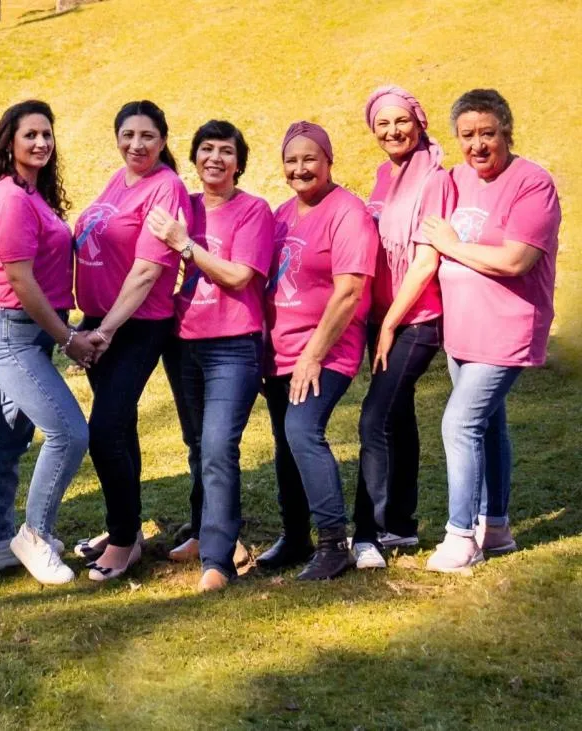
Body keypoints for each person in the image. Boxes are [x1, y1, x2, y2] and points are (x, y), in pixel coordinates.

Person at [422, 89, 560, 572]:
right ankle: (496, 527)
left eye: (488, 133)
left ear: (507, 131)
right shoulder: (456, 179)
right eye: (467, 135)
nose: (478, 145)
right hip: (463, 331)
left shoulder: (532, 183)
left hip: (508, 328)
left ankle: (460, 537)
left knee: (460, 423)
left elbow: (516, 260)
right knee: (489, 424)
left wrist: (453, 246)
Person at [146, 120, 275, 591]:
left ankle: (218, 560)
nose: (214, 158)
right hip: (182, 344)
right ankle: (204, 533)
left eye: (225, 150)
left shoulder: (253, 211)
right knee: (198, 445)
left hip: (232, 345)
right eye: (205, 149)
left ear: (239, 162)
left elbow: (240, 276)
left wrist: (185, 244)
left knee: (220, 447)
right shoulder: (184, 206)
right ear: (194, 157)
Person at [0, 100, 92, 585]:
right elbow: (20, 281)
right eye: (30, 135)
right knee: (69, 432)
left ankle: (1, 543)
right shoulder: (11, 199)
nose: (41, 142)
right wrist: (69, 340)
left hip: (31, 332)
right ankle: (34, 535)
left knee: (9, 439)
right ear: (9, 142)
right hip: (11, 333)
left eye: (47, 134)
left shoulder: (31, 193)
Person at [71, 100, 192, 581]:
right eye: (128, 135)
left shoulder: (167, 187)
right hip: (101, 320)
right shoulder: (119, 181)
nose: (136, 145)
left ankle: (123, 542)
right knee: (119, 429)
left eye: (147, 136)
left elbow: (146, 272)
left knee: (104, 431)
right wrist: (90, 322)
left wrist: (105, 330)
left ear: (163, 139)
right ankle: (128, 528)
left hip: (137, 323)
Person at [259, 121, 378, 581]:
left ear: (329, 161)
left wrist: (312, 355)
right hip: (279, 351)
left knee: (304, 430)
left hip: (326, 351)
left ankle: (333, 543)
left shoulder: (348, 212)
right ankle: (295, 536)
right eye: (292, 160)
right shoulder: (281, 213)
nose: (300, 167)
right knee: (286, 442)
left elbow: (349, 291)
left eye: (310, 158)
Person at [351, 86, 456, 569]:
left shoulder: (434, 179)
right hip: (382, 317)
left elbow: (425, 262)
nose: (392, 132)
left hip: (415, 320)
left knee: (374, 418)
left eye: (401, 121)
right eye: (383, 125)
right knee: (397, 417)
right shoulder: (382, 174)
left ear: (419, 120)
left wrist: (390, 324)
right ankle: (401, 526)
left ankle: (367, 533)